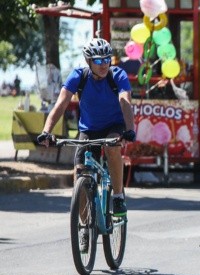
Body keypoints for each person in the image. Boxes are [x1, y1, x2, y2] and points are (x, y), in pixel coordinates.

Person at [37, 37, 136, 225]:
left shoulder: (118, 76)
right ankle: (84, 227)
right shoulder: (78, 76)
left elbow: (125, 102)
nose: (104, 64)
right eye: (98, 60)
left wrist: (129, 130)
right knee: (79, 174)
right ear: (88, 60)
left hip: (114, 125)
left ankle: (118, 197)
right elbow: (61, 105)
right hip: (89, 129)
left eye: (107, 59)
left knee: (113, 146)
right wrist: (46, 131)